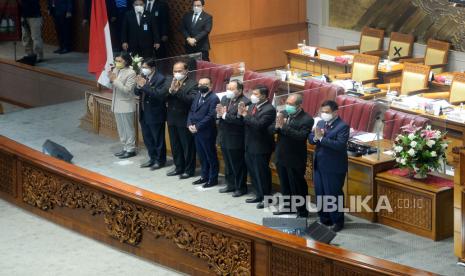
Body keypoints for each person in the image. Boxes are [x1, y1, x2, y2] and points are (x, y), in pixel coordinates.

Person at [270, 94, 314, 217]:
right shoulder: (283, 113)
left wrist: (284, 127)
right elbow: (271, 130)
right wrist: (276, 127)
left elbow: (301, 136)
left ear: (299, 105)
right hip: (281, 155)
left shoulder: (307, 119)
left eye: (290, 104)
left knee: (297, 186)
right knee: (285, 185)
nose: (287, 106)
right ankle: (289, 207)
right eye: (287, 103)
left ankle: (302, 211)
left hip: (295, 158)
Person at [309, 100, 349, 232]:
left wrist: (321, 139)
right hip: (319, 165)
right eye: (322, 112)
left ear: (335, 112)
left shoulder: (342, 126)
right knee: (320, 193)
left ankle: (337, 221)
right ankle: (324, 219)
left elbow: (339, 145)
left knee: (333, 194)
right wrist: (315, 138)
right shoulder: (320, 122)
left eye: (327, 112)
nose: (324, 114)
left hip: (333, 167)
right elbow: (311, 138)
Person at [238, 85, 276, 209]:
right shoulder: (253, 106)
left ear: (264, 96)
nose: (253, 96)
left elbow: (259, 125)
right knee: (253, 172)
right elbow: (247, 122)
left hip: (261, 146)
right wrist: (242, 115)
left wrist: (245, 115)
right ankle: (258, 194)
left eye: (256, 94)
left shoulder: (269, 109)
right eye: (253, 93)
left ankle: (266, 198)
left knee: (262, 173)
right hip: (249, 144)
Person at [163, 61, 198, 179]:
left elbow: (191, 100)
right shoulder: (170, 81)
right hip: (172, 118)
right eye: (175, 71)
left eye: (179, 71)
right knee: (175, 145)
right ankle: (178, 167)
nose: (176, 73)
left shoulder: (193, 84)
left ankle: (189, 170)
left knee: (187, 146)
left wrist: (178, 91)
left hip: (184, 119)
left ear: (186, 71)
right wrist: (170, 91)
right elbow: (162, 97)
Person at [216, 80, 250, 197]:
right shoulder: (225, 98)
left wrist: (224, 115)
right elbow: (221, 116)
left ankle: (241, 187)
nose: (228, 91)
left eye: (232, 89)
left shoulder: (245, 102)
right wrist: (219, 114)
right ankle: (230, 185)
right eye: (228, 88)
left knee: (238, 165)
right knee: (228, 163)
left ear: (240, 90)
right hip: (224, 136)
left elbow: (240, 121)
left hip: (236, 138)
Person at [135, 58, 167, 170]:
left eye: (145, 67)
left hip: (155, 114)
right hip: (144, 113)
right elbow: (136, 92)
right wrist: (139, 86)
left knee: (158, 139)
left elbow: (158, 95)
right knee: (147, 138)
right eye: (142, 67)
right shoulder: (143, 77)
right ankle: (152, 158)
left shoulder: (160, 79)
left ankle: (160, 160)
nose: (143, 69)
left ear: (152, 68)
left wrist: (144, 86)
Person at [187, 77, 220, 188]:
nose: (201, 86)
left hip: (207, 132)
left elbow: (210, 116)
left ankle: (213, 178)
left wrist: (197, 126)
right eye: (200, 83)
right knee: (201, 155)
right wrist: (190, 124)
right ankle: (204, 176)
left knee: (210, 155)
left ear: (210, 85)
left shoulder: (214, 98)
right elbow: (192, 111)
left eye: (204, 84)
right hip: (196, 131)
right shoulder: (198, 95)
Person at [109, 53, 137, 159]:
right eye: (116, 60)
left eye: (119, 61)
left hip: (126, 104)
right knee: (121, 128)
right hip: (116, 103)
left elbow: (127, 90)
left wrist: (115, 80)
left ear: (126, 61)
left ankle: (131, 149)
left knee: (128, 128)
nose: (117, 63)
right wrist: (110, 80)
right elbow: (113, 85)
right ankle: (125, 147)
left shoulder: (131, 73)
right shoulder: (116, 70)